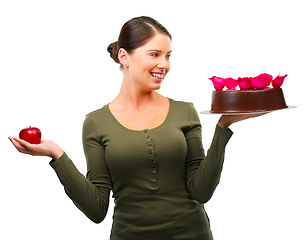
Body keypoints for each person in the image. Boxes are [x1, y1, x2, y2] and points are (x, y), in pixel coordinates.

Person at [9, 16, 266, 240]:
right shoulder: (96, 122)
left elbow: (202, 191)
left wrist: (223, 127)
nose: (164, 64)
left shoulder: (184, 111)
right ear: (125, 56)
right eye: (154, 54)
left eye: (167, 56)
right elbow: (97, 209)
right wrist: (57, 155)